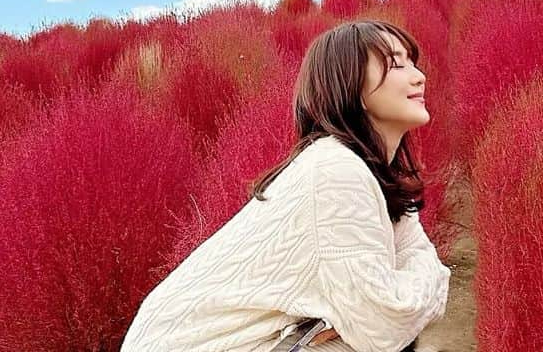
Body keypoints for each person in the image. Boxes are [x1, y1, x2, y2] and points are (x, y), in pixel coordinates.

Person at [121, 19, 450, 352]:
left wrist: (415, 283)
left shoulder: (375, 175)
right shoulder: (335, 170)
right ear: (351, 86)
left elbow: (407, 280)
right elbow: (386, 321)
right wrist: (428, 278)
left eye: (412, 62)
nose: (418, 76)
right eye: (395, 63)